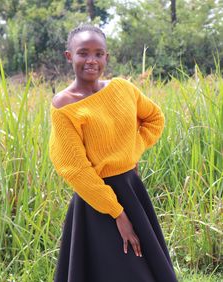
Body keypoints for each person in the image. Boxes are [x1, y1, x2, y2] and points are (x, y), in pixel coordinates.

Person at [49, 24, 178, 282]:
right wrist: (117, 213)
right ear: (69, 56)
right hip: (96, 202)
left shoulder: (122, 89)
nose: (91, 60)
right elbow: (74, 167)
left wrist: (132, 151)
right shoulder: (64, 105)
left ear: (107, 57)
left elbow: (154, 118)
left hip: (131, 190)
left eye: (99, 54)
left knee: (143, 270)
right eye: (83, 53)